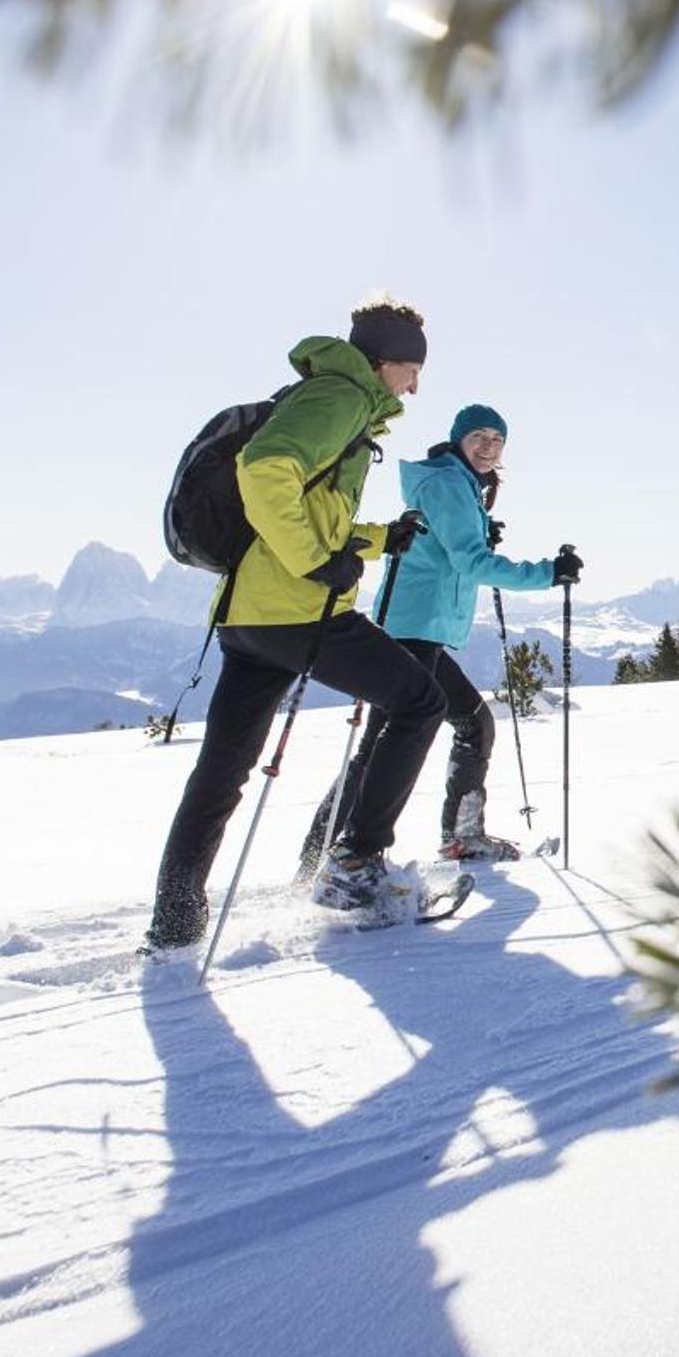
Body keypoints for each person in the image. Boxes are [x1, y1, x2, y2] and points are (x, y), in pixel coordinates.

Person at [143, 300, 451, 952]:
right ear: (384, 361)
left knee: (221, 772)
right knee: (421, 701)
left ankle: (174, 924)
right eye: (412, 369)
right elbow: (264, 471)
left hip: (250, 614)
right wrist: (315, 563)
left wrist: (378, 538)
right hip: (299, 610)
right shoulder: (341, 397)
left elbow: (310, 511)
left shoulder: (327, 396)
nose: (414, 386)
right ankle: (356, 864)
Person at [381, 402, 583, 861]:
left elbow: (450, 547)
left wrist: (478, 529)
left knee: (449, 728)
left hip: (416, 625)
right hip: (414, 627)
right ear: (460, 440)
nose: (489, 447)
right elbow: (471, 563)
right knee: (435, 732)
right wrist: (548, 573)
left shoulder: (457, 483)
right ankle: (352, 852)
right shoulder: (451, 485)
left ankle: (341, 852)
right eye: (479, 437)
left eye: (497, 440)